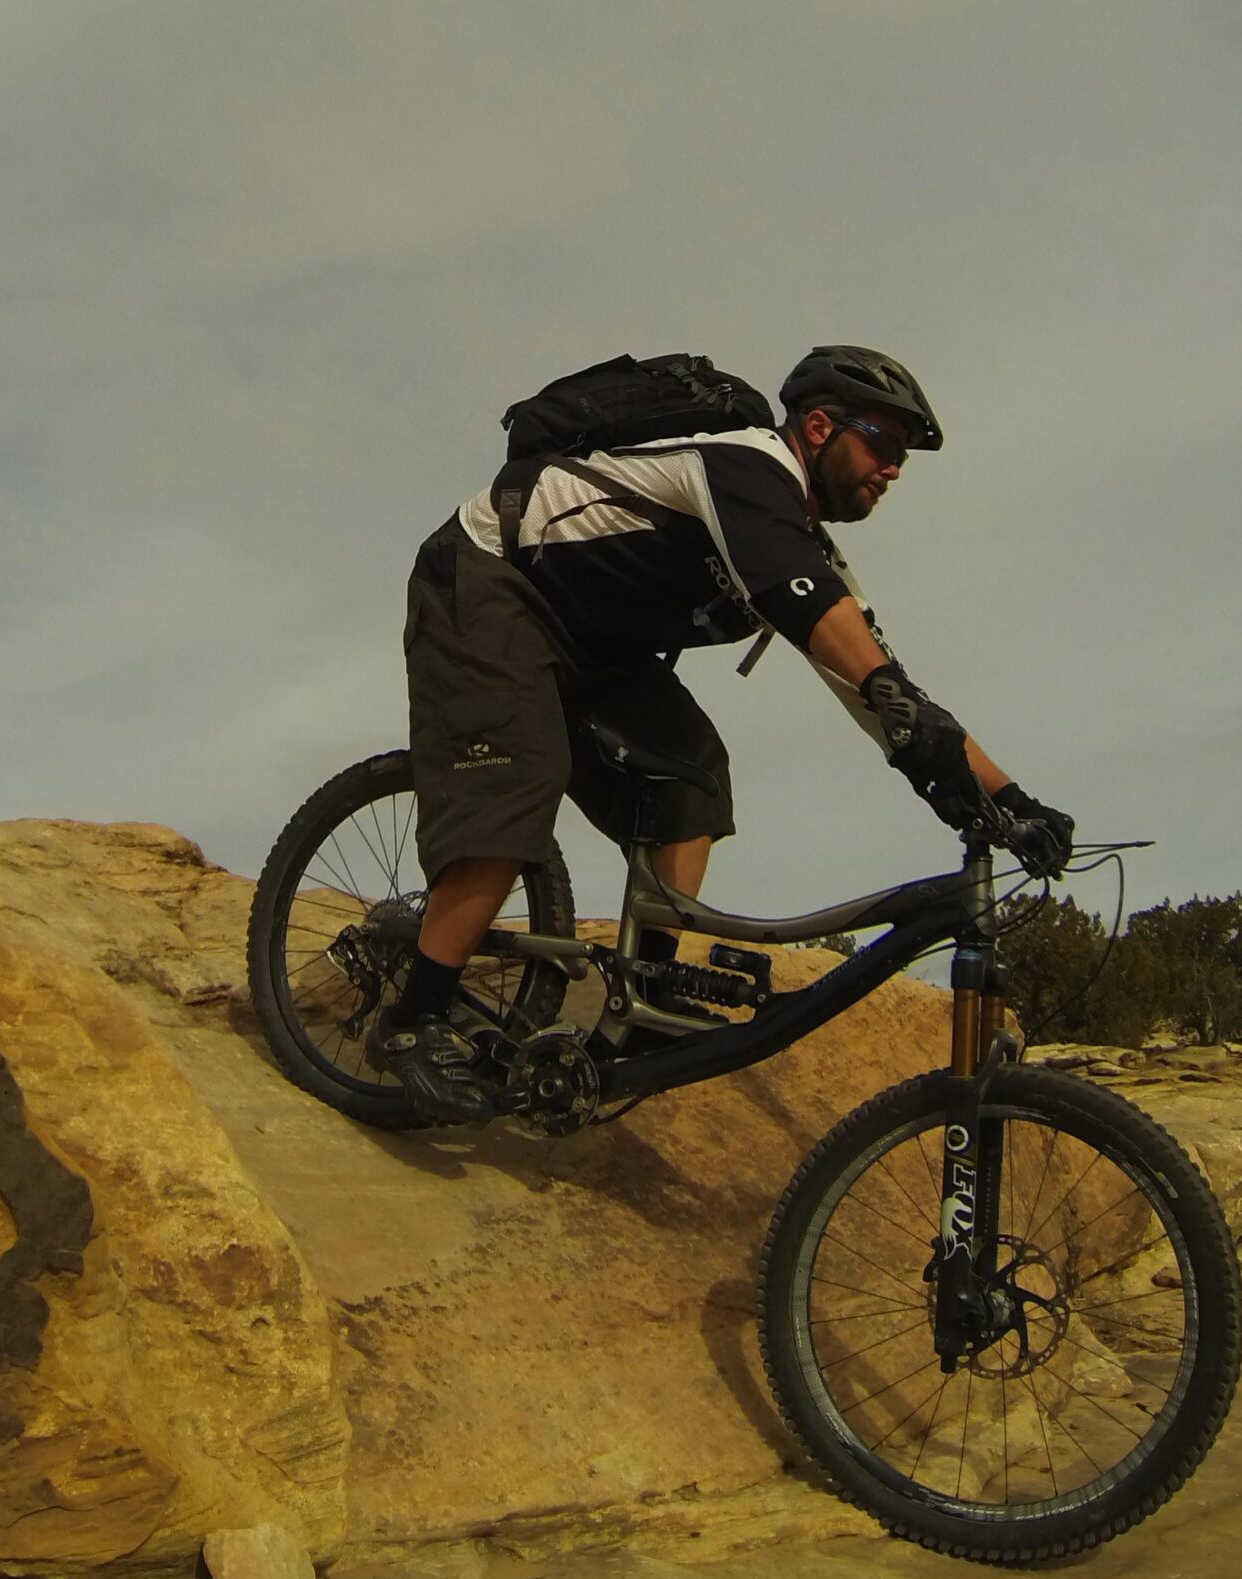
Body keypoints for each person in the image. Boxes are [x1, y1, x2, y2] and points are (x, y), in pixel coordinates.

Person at [370, 345, 1074, 1123]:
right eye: (884, 442)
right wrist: (892, 698)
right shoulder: (747, 468)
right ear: (817, 426)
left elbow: (882, 686)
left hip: (596, 644)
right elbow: (827, 629)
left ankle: (641, 998)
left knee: (693, 778)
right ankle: (412, 1021)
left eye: (900, 455)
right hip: (491, 574)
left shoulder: (807, 547)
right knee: (521, 781)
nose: (895, 468)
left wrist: (1008, 797)